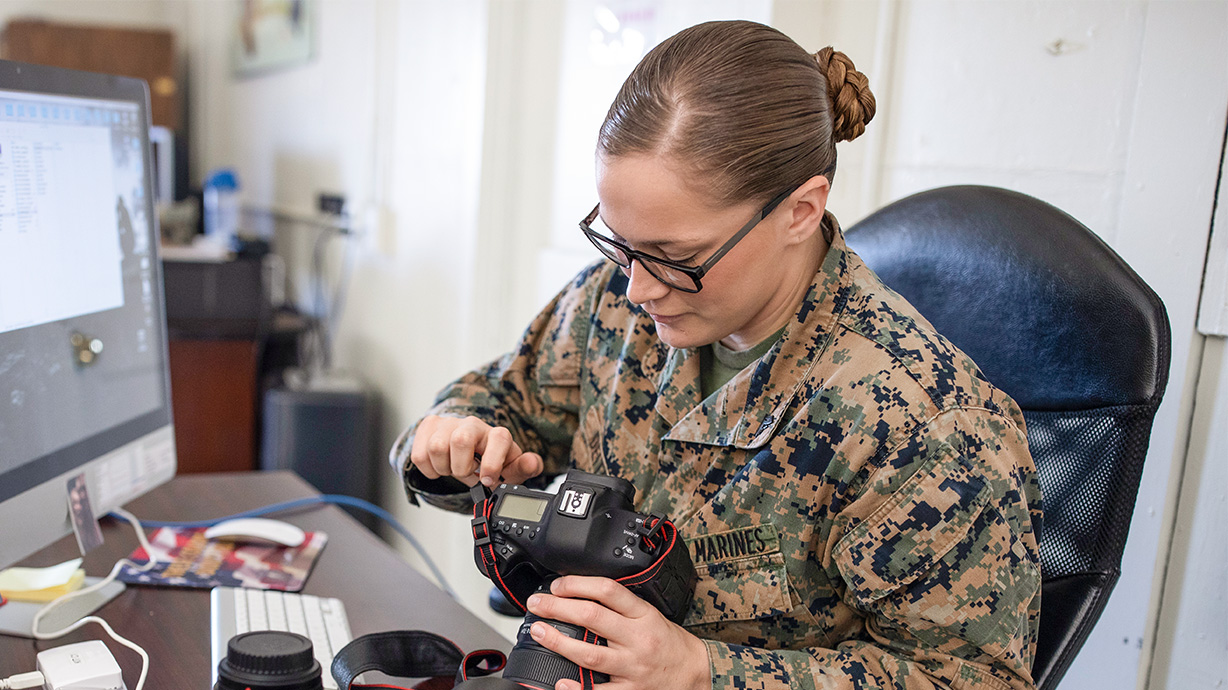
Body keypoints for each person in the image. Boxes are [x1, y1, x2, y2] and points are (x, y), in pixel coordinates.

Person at [391, 19, 1042, 690]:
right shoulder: (616, 301)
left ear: (799, 211)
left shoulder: (921, 424)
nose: (638, 287)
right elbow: (505, 402)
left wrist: (704, 671)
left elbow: (971, 678)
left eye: (676, 258)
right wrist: (457, 442)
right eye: (620, 242)